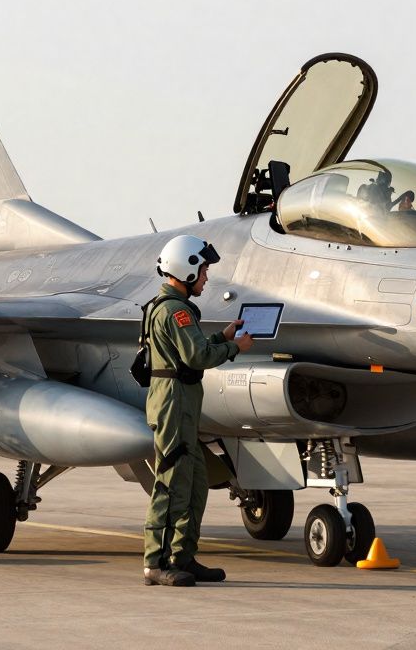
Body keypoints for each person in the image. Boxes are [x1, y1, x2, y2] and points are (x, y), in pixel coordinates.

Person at [142, 234, 253, 587]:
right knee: (171, 484)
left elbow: (197, 346)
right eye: (203, 270)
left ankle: (182, 556)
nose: (206, 277)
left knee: (195, 485)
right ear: (186, 270)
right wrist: (236, 348)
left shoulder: (176, 309)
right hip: (173, 403)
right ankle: (155, 563)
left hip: (182, 402)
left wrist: (223, 335)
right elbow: (197, 357)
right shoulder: (175, 311)